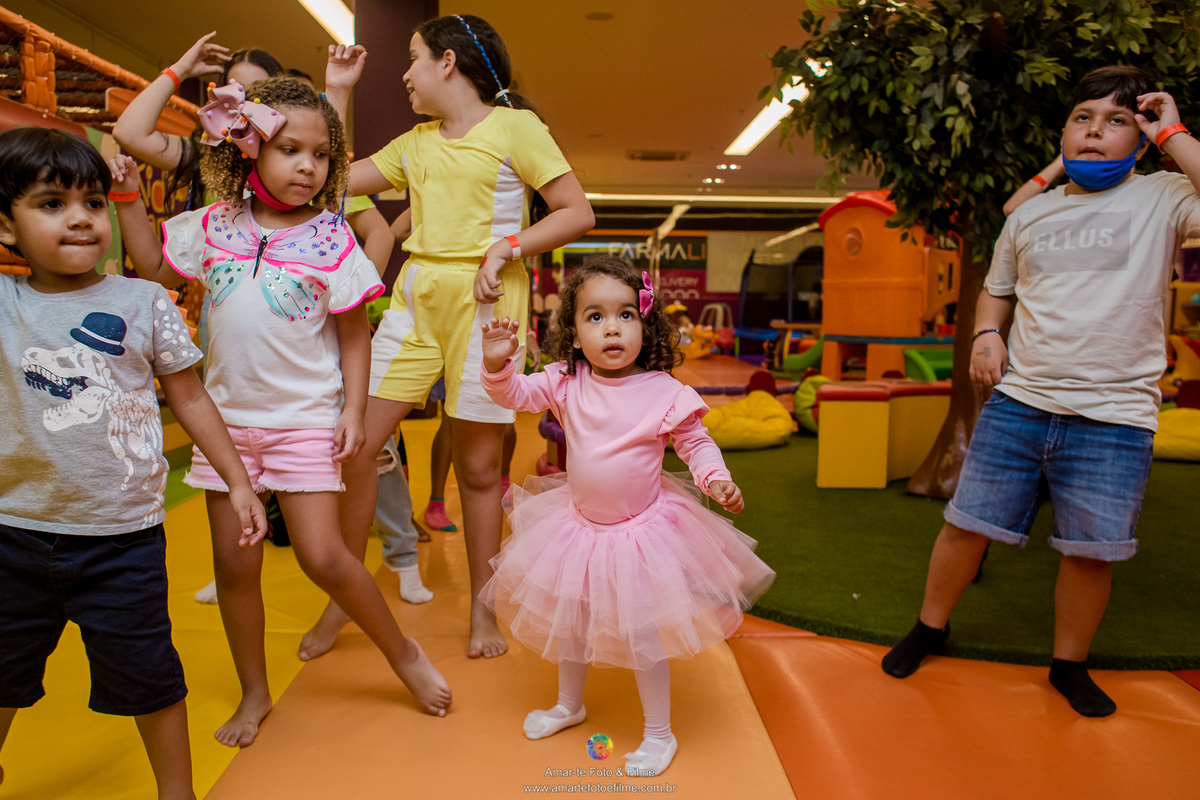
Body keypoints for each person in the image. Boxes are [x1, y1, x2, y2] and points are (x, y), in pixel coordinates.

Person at [111, 75, 453, 747]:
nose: (309, 166)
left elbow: (353, 332)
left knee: (324, 556)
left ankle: (403, 652)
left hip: (305, 420)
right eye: (291, 150)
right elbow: (152, 266)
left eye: (321, 155)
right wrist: (125, 197)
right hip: (226, 428)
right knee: (235, 567)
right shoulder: (214, 225)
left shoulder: (330, 238)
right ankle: (255, 694)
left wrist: (354, 409)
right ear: (248, 153)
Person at [881, 66, 1200, 717]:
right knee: (965, 527)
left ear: (1140, 138)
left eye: (1116, 121)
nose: (1095, 131)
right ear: (1063, 133)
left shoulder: (1165, 196)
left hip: (1114, 418)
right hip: (1019, 404)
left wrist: (1171, 129)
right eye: (1083, 118)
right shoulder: (1033, 214)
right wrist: (984, 336)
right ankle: (930, 628)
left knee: (1090, 551)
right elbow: (997, 289)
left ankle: (1068, 665)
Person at [303, 14, 595, 661]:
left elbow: (578, 210)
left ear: (448, 62)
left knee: (481, 467)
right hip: (417, 301)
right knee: (354, 450)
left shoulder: (516, 128)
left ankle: (482, 612)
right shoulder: (416, 143)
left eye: (413, 58)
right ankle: (343, 601)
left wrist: (506, 246)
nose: (404, 74)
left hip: (488, 305)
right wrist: (339, 91)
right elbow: (328, 186)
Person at [0, 127, 267, 798]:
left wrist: (238, 482)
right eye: (51, 203)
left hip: (121, 539)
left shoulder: (140, 301)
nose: (81, 218)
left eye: (92, 200)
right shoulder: (6, 305)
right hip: (13, 533)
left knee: (148, 675)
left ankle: (175, 791)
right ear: (6, 226)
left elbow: (192, 397)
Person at [476, 255, 774, 776]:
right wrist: (499, 364)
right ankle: (570, 705)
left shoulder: (665, 392)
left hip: (642, 536)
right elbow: (515, 396)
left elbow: (696, 443)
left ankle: (659, 733)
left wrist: (715, 479)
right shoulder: (566, 381)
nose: (611, 327)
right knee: (569, 623)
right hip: (577, 530)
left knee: (644, 638)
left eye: (625, 315)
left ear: (646, 323)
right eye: (595, 316)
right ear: (572, 333)